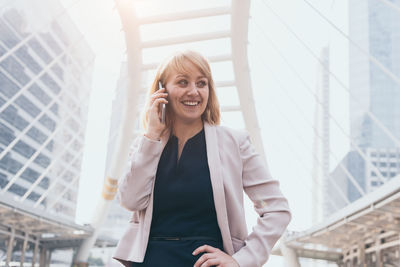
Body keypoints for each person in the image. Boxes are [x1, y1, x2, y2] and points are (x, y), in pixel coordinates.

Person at [113, 50, 291, 267]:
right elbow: (130, 200)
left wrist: (241, 261)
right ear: (162, 91)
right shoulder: (146, 144)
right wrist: (151, 136)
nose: (193, 92)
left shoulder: (234, 143)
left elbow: (276, 209)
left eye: (201, 83)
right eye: (182, 82)